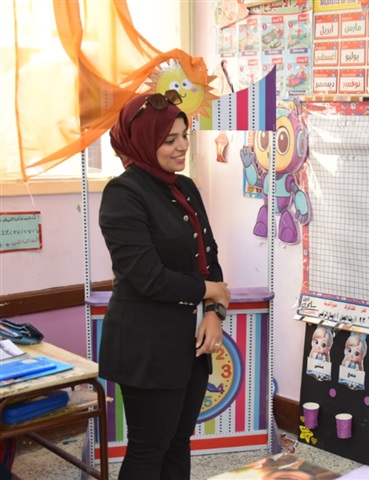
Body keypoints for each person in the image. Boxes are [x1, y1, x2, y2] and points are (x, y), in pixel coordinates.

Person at [98, 91, 231, 480]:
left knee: (178, 442)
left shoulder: (185, 187)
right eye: (169, 139)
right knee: (149, 447)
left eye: (184, 135)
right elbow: (147, 277)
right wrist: (209, 291)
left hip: (190, 342)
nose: (182, 146)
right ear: (142, 142)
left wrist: (214, 314)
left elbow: (209, 257)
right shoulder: (123, 194)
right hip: (147, 345)